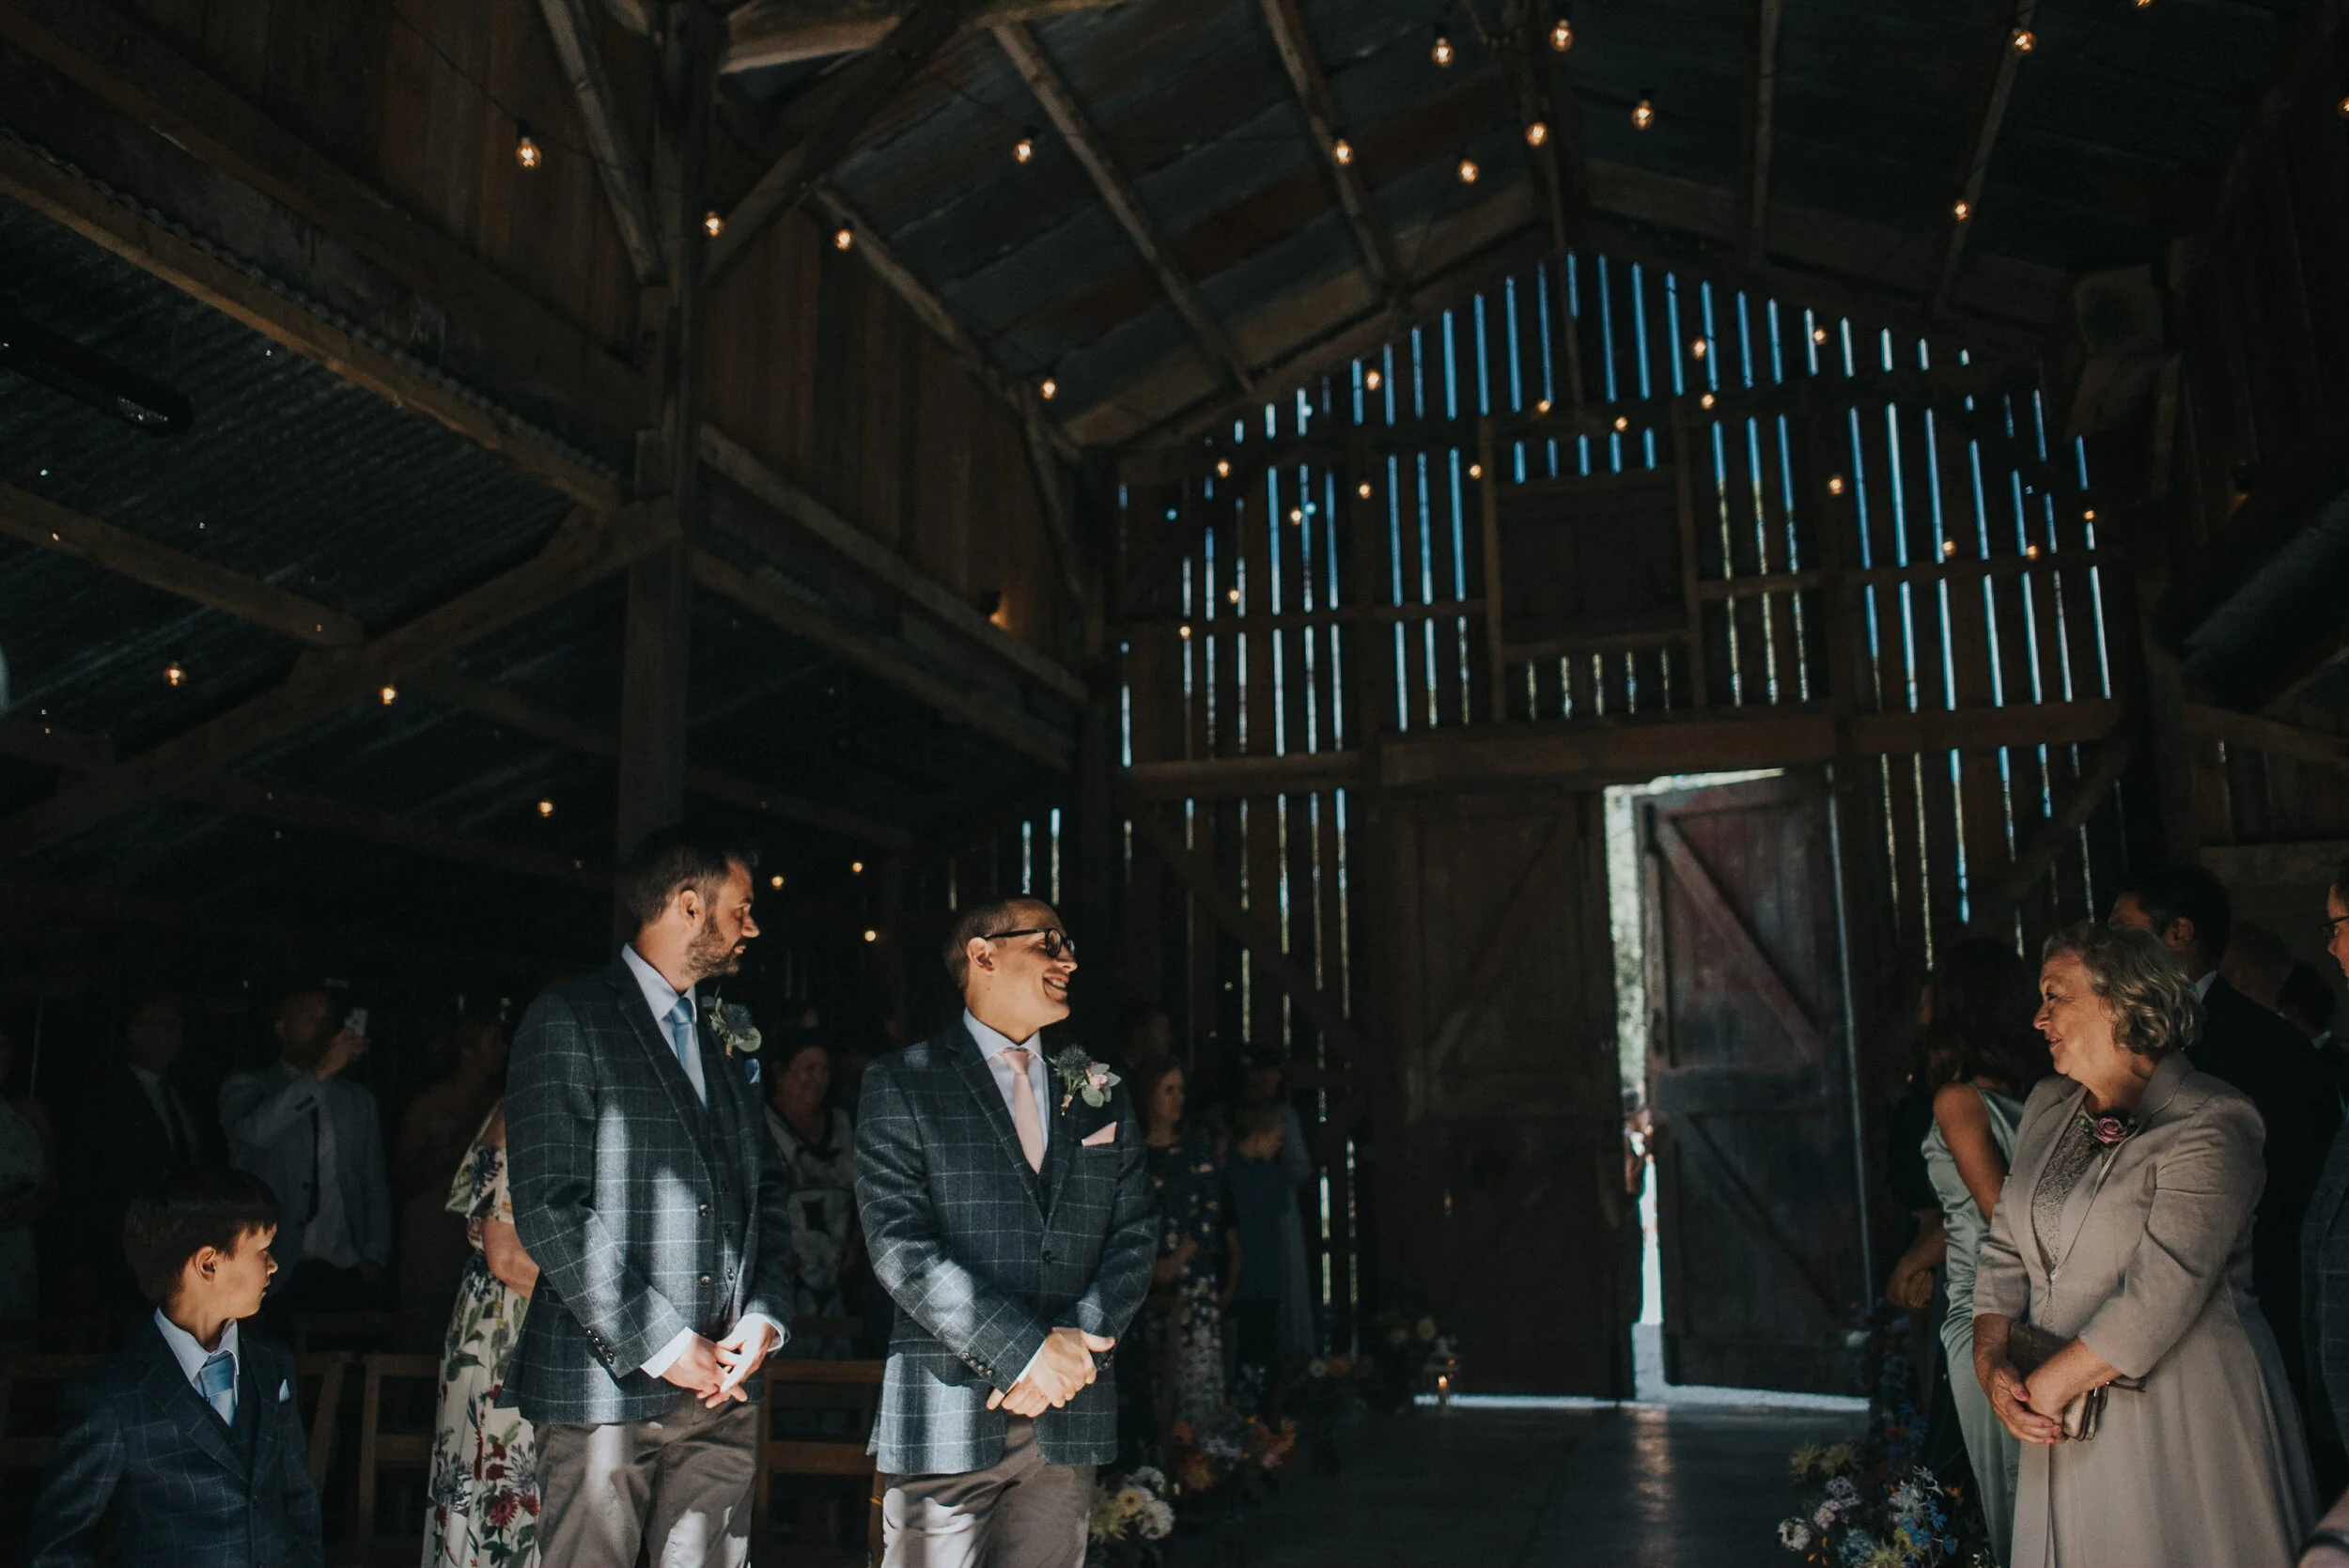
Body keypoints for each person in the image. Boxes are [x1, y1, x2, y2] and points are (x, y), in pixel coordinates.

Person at [1974, 921, 2314, 1567]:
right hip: (2059, 1413)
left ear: (2121, 999)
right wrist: (1992, 1365)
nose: (2038, 1016)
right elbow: (2002, 1252)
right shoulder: (2048, 1104)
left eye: (2055, 995)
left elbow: (2164, 1289)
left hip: (2182, 1413)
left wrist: (2047, 1387)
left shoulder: (2214, 1117)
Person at [506, 826, 793, 1568]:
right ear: (689, 906)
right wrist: (662, 1344)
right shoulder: (570, 1018)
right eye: (742, 908)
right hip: (603, 1382)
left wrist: (765, 1314)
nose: (751, 927)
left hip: (725, 1387)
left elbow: (770, 1192)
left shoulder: (724, 1035)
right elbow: (548, 1203)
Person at [855, 895, 1155, 1566]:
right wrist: (1025, 1352)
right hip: (944, 1413)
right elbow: (901, 1247)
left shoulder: (1102, 1087)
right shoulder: (902, 1082)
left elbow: (1134, 1233)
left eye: (1068, 942)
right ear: (983, 954)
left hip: (1067, 1418)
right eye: (1048, 941)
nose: (1068, 957)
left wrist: (1078, 1343)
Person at [2112, 866, 2341, 1426]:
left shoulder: (2268, 1047)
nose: (2109, 946)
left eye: (2123, 928)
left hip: (2245, 1297)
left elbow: (2298, 1186)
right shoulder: (2121, 1042)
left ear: (2179, 933)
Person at [26, 1164, 319, 1567]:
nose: (273, 1266)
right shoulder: (114, 1396)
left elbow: (297, 1496)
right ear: (208, 1264)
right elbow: (56, 1546)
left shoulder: (273, 1364)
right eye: (262, 1251)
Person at [1915, 938, 2049, 1565]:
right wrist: (1916, 1257)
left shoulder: (1959, 1099)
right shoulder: (2044, 1093)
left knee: (2010, 1498)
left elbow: (1998, 1209)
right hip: (2037, 1303)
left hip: (1983, 1309)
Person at [219, 986, 391, 1314]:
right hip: (270, 1265)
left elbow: (373, 1179)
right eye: (309, 1018)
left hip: (344, 1263)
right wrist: (319, 1074)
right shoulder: (250, 1086)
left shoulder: (357, 1100)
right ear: (282, 1028)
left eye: (327, 1019)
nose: (322, 1027)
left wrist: (375, 1254)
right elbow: (253, 1133)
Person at [424, 1102, 540, 1568]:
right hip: (510, 1321)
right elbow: (507, 1256)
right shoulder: (520, 1114)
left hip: (523, 1313)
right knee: (501, 1483)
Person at [69, 991, 205, 1307]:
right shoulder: (105, 1096)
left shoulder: (188, 1094)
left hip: (182, 1244)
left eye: (177, 1028)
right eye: (164, 1027)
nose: (174, 1037)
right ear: (136, 1032)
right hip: (123, 1244)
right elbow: (86, 1176)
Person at [1132, 1052, 1234, 1431]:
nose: (1177, 1099)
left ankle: (1199, 1469)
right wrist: (1148, 1265)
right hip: (1139, 1286)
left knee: (1195, 1376)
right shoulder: (1130, 1153)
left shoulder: (1196, 1148)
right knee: (1149, 1381)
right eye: (1167, 1090)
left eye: (1181, 1090)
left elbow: (1209, 1212)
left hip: (1191, 1281)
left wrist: (1177, 1261)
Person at [397, 1017, 508, 1326]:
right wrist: (456, 1149)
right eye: (493, 1042)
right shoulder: (430, 1103)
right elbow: (404, 1175)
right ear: (468, 1050)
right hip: (432, 1224)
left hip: (481, 1228)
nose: (503, 1050)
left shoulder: (498, 1102)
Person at [763, 1034, 861, 1359]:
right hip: (781, 1273)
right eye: (808, 1068)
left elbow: (862, 1193)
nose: (817, 1078)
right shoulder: (762, 1124)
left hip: (835, 1274)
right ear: (780, 1072)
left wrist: (855, 1243)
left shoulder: (843, 1124)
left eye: (824, 1069)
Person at [1237, 1048, 1316, 1360]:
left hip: (1280, 1214)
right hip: (1245, 1215)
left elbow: (1301, 1168)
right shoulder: (1231, 1114)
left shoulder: (1285, 1115)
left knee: (1286, 1285)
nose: (1272, 1079)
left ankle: (1292, 1365)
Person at [1222, 1100, 1298, 1389]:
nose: (1279, 1146)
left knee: (1263, 1356)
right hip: (1242, 1277)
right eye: (1276, 1138)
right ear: (1257, 1137)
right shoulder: (1229, 1172)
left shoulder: (1267, 1175)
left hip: (1262, 1277)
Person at [0, 1020, 56, 1327]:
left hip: (17, 1259)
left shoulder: (28, 1116)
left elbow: (52, 1189)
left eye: (3, 1044)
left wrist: (25, 1207)